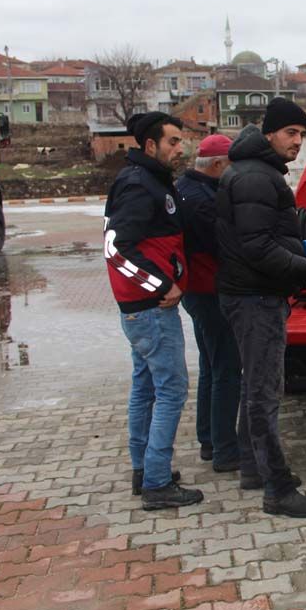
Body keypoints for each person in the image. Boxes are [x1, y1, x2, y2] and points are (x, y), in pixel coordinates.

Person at [216, 98, 306, 519]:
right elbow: (257, 246)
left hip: (252, 294)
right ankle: (278, 490)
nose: (297, 141)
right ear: (269, 132)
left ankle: (254, 468)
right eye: (291, 133)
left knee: (255, 387)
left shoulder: (257, 171)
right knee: (264, 394)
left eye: (302, 135)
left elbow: (271, 236)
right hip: (255, 298)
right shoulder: (255, 176)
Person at [103, 111, 203, 511]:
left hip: (145, 310)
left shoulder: (153, 180)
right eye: (173, 142)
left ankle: (145, 470)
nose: (181, 148)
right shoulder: (138, 184)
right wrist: (162, 285)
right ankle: (157, 483)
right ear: (150, 145)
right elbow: (115, 248)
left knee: (145, 388)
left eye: (181, 141)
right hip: (150, 310)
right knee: (172, 390)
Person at [177, 134, 241, 473]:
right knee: (227, 369)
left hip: (197, 292)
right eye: (231, 166)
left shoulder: (186, 188)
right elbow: (224, 247)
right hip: (210, 293)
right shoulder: (202, 200)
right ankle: (226, 451)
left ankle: (209, 440)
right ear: (217, 164)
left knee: (211, 367)